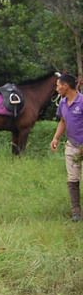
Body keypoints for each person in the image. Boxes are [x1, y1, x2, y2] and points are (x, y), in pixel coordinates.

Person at [50, 73, 83, 222]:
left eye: (58, 86)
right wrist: (56, 138)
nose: (57, 89)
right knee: (72, 179)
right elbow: (63, 121)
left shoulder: (82, 101)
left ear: (66, 86)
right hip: (71, 145)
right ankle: (76, 212)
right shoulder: (63, 103)